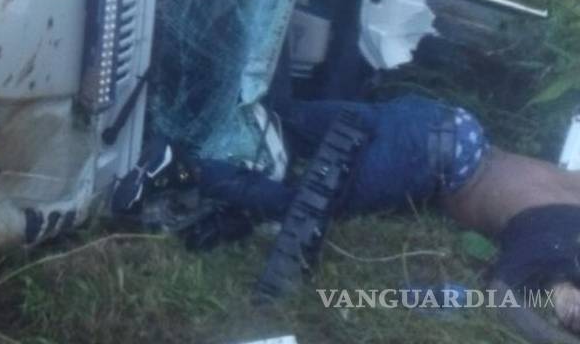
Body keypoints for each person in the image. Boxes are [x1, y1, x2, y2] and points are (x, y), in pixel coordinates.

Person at [116, 95, 580, 335]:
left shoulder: (569, 198)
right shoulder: (558, 233)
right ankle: (181, 165)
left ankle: (170, 118)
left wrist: (561, 286)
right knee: (302, 203)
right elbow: (502, 293)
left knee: (286, 119)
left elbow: (552, 271)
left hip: (435, 120)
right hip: (425, 160)